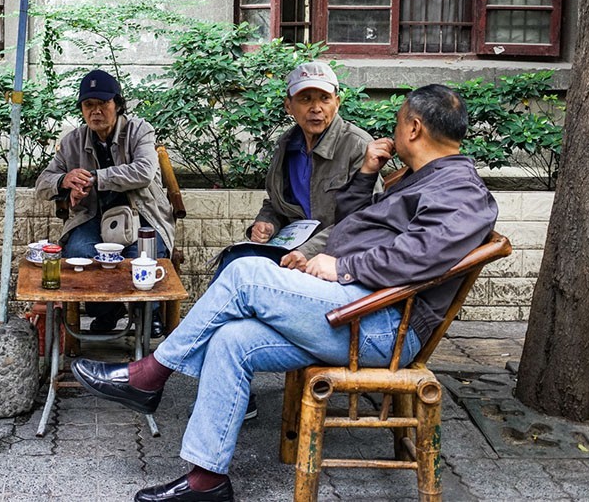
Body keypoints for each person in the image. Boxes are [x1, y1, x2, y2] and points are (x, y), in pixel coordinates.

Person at [71, 84, 498, 502]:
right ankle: (207, 480)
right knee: (231, 340)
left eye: (399, 119)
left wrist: (343, 265)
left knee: (245, 275)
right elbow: (355, 224)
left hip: (382, 325)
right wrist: (367, 173)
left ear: (414, 128)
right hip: (355, 309)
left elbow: (423, 254)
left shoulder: (460, 189)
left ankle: (150, 375)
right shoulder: (420, 179)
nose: (395, 127)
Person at [212, 61, 372, 420]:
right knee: (231, 265)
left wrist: (308, 251)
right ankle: (232, 380)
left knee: (242, 282)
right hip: (291, 247)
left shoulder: (356, 146)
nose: (315, 108)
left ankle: (218, 373)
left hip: (333, 258)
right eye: (305, 99)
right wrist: (265, 224)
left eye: (323, 98)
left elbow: (364, 223)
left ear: (337, 101)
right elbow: (277, 203)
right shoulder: (288, 144)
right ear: (289, 106)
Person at [35, 69, 176, 336]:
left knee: (141, 256)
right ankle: (107, 312)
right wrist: (65, 181)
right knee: (79, 252)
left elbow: (144, 171)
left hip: (144, 214)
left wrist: (96, 178)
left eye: (103, 104)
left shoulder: (139, 130)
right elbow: (42, 184)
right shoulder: (73, 141)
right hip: (94, 217)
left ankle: (149, 312)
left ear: (118, 105)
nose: (96, 111)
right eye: (89, 105)